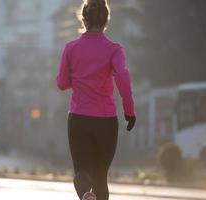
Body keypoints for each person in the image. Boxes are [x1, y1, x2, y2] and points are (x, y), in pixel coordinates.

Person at [56, 0, 136, 200]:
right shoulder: (114, 49)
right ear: (106, 20)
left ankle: (85, 194)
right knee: (101, 177)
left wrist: (80, 78)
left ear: (83, 19)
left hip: (79, 118)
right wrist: (129, 110)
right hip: (106, 120)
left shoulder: (71, 48)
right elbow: (123, 78)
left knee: (82, 172)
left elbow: (62, 83)